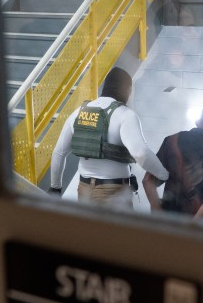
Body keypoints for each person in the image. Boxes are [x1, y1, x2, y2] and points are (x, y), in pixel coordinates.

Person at [49, 67, 169, 209]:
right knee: (117, 232)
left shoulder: (79, 112)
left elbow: (58, 153)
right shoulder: (125, 115)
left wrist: (55, 188)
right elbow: (141, 153)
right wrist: (164, 175)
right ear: (127, 90)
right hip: (113, 194)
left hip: (84, 190)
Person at [143, 104, 203, 221]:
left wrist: (160, 217)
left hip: (170, 222)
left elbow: (147, 181)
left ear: (198, 121)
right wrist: (191, 228)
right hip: (202, 229)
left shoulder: (171, 141)